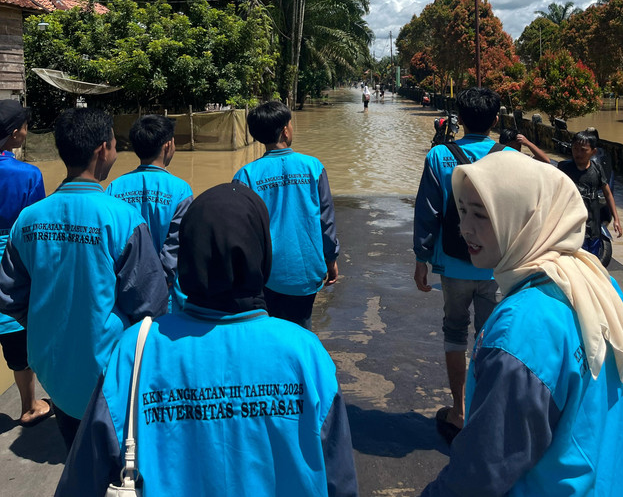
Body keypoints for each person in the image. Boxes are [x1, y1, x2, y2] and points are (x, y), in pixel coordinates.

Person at [55, 182, 358, 497]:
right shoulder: (306, 355)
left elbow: (81, 482)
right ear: (262, 252)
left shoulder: (133, 353)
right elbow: (340, 479)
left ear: (187, 253)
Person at [420, 153, 623, 496]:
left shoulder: (519, 330)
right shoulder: (597, 281)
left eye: (482, 214)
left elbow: (481, 473)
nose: (465, 228)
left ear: (526, 218)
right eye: (462, 211)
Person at [0, 108, 168, 451]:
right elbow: (151, 307)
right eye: (114, 144)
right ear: (101, 150)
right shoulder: (122, 219)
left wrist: (49, 327)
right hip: (108, 374)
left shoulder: (27, 221)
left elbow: (10, 297)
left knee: (75, 448)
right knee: (115, 459)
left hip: (53, 372)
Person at [413, 87, 508, 443]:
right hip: (498, 267)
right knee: (493, 338)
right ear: (496, 120)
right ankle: (487, 411)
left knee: (455, 332)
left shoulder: (439, 155)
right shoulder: (510, 156)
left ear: (460, 119)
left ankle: (459, 411)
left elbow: (427, 213)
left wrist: (422, 259)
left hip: (453, 265)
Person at [233, 100, 339, 330]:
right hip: (305, 269)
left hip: (265, 275)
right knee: (301, 330)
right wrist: (331, 258)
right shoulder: (313, 166)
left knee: (268, 332)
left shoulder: (246, 175)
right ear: (285, 130)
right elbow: (326, 220)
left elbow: (240, 231)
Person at [0, 100, 51, 428]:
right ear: (16, 133)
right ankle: (30, 406)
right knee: (16, 336)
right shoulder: (28, 175)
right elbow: (36, 230)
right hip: (12, 262)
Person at [106, 114, 193, 306]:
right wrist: (158, 285)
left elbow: (110, 243)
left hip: (122, 292)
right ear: (168, 145)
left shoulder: (114, 187)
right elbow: (176, 246)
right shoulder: (180, 190)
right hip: (165, 295)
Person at [558, 131, 622, 257]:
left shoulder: (597, 169)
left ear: (593, 152)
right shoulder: (564, 169)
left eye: (583, 150)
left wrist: (616, 219)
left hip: (593, 226)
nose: (578, 153)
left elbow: (608, 194)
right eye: (575, 149)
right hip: (572, 227)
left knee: (593, 261)